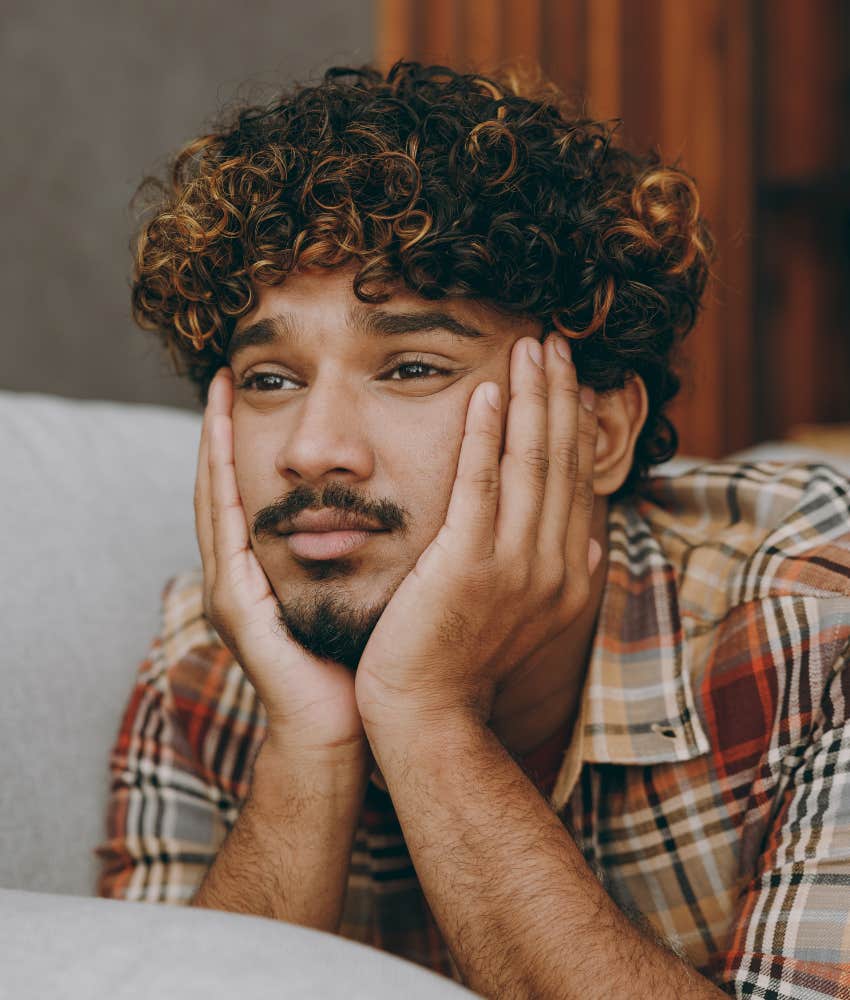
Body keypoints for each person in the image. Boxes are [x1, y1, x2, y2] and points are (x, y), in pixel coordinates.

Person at [96, 62, 850, 998]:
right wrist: (308, 754)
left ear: (600, 432)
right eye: (271, 381)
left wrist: (428, 718)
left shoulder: (818, 627)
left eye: (412, 367)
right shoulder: (214, 658)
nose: (313, 449)